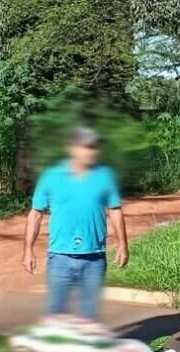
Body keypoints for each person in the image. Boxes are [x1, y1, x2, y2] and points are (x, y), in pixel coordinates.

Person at [22, 126, 129, 320]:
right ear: (72, 148)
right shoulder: (51, 177)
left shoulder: (105, 176)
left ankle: (85, 349)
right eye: (87, 146)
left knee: (89, 318)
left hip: (94, 258)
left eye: (94, 147)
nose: (92, 151)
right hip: (60, 258)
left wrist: (123, 245)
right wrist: (28, 250)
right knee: (56, 316)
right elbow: (36, 214)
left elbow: (115, 210)